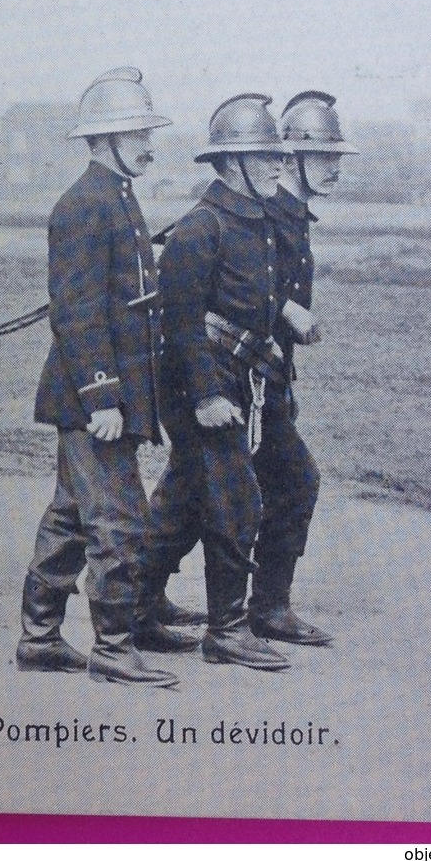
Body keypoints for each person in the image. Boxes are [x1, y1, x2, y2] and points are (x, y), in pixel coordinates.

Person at [15, 68, 180, 687]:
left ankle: (38, 637)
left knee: (70, 514)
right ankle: (112, 648)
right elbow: (77, 312)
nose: (147, 144)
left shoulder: (116, 196)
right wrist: (102, 395)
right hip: (92, 397)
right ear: (103, 139)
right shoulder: (84, 205)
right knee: (118, 520)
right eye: (136, 133)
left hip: (107, 393)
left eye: (144, 132)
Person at [151, 93, 295, 671]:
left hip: (239, 375)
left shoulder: (256, 221)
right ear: (231, 162)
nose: (277, 166)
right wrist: (209, 394)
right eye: (265, 157)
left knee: (187, 495)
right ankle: (228, 629)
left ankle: (136, 607)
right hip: (199, 383)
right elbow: (180, 323)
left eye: (278, 156)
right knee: (235, 497)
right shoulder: (200, 228)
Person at [246, 90, 358, 646]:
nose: (335, 167)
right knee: (294, 480)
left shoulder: (290, 215)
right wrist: (280, 311)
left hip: (264, 377)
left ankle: (144, 596)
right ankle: (267, 607)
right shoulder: (266, 215)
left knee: (197, 489)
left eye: (338, 158)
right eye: (326, 157)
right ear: (289, 158)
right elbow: (225, 289)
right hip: (238, 376)